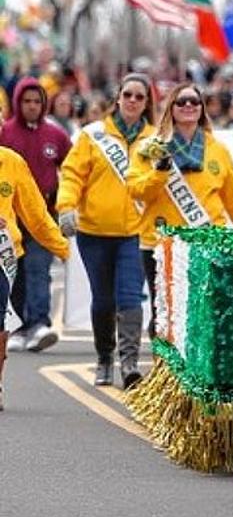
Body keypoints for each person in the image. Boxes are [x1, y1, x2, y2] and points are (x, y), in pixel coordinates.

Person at [56, 74, 156, 388]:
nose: (133, 101)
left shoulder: (155, 140)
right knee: (103, 300)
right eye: (128, 95)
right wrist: (66, 205)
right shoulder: (92, 135)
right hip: (94, 232)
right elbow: (72, 174)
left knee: (129, 296)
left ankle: (129, 364)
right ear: (118, 98)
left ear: (147, 103)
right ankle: (103, 358)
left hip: (134, 233)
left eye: (140, 97)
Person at [127, 85, 233, 322]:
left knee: (205, 315)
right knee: (165, 316)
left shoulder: (218, 149)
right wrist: (160, 172)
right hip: (161, 242)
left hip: (207, 241)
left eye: (195, 102)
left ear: (202, 108)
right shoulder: (150, 148)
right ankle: (163, 361)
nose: (189, 106)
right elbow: (136, 190)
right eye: (182, 101)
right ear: (171, 108)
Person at [0, 77, 72, 353]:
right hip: (9, 225)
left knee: (39, 270)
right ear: (17, 103)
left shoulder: (55, 135)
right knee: (15, 277)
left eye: (37, 101)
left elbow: (73, 167)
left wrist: (66, 202)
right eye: (27, 101)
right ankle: (20, 326)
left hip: (41, 209)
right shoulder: (6, 134)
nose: (32, 106)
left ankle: (39, 323)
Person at [0, 145, 71, 410]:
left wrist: (62, 247)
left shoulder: (12, 162)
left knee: (0, 322)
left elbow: (36, 214)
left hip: (3, 255)